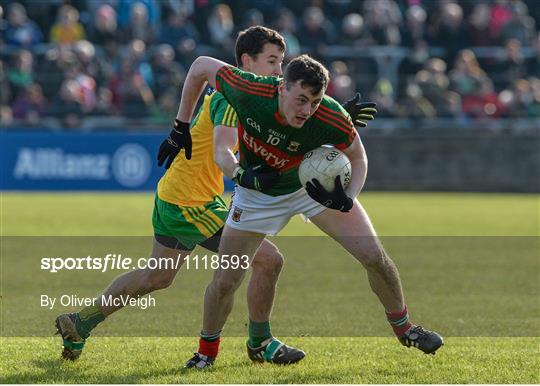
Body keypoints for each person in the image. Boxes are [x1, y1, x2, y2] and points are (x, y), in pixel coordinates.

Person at [54, 26, 375, 367]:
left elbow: (284, 131)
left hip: (178, 194)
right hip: (193, 202)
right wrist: (242, 174)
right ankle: (260, 341)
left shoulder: (255, 98)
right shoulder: (231, 98)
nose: (278, 71)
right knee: (269, 260)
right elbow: (225, 152)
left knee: (157, 276)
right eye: (272, 61)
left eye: (281, 63)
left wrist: (332, 117)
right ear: (246, 61)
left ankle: (80, 322)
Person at [166, 52, 443, 367]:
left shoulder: (330, 115)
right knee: (227, 279)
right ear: (282, 87)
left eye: (314, 102)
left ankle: (405, 329)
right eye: (301, 100)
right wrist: (181, 127)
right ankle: (206, 352)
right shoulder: (250, 90)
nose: (307, 110)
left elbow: (359, 158)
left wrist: (348, 197)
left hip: (308, 187)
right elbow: (201, 66)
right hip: (256, 193)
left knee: (374, 257)